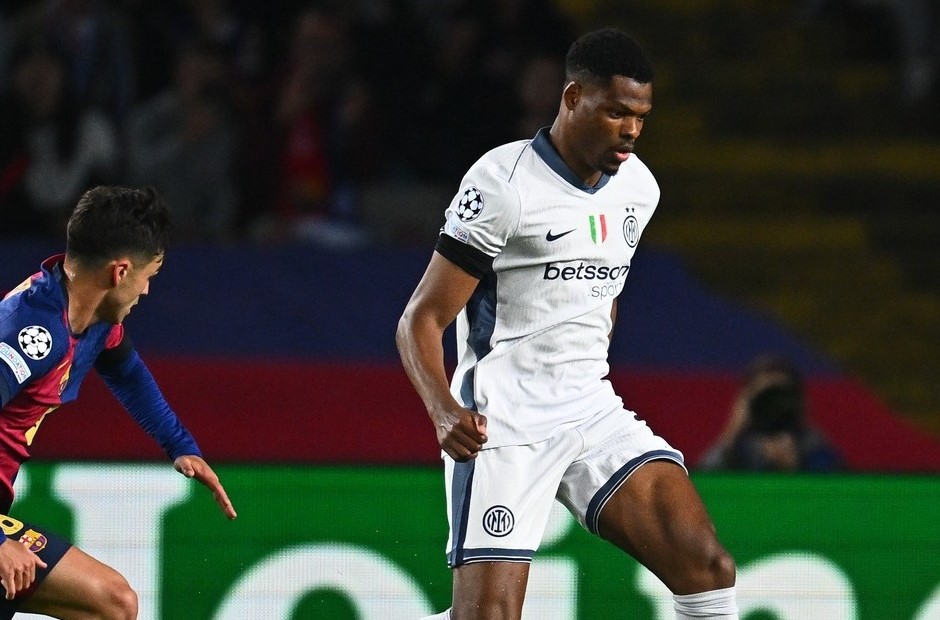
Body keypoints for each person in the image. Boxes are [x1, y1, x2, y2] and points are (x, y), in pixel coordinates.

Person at [397, 28, 738, 620]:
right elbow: (421, 318)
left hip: (589, 408)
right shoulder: (503, 184)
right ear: (573, 97)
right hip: (503, 421)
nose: (631, 130)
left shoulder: (639, 188)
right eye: (616, 112)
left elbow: (603, 290)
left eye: (641, 117)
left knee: (706, 567)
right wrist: (444, 409)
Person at [0, 185, 236, 618]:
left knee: (113, 603)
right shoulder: (29, 334)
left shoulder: (89, 318)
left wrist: (179, 445)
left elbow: (127, 372)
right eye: (149, 277)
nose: (145, 291)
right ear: (121, 271)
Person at [698, 353, 842, 472]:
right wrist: (731, 432)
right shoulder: (737, 446)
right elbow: (700, 484)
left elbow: (838, 488)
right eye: (766, 395)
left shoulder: (812, 445)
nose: (773, 405)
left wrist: (796, 468)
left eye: (779, 396)